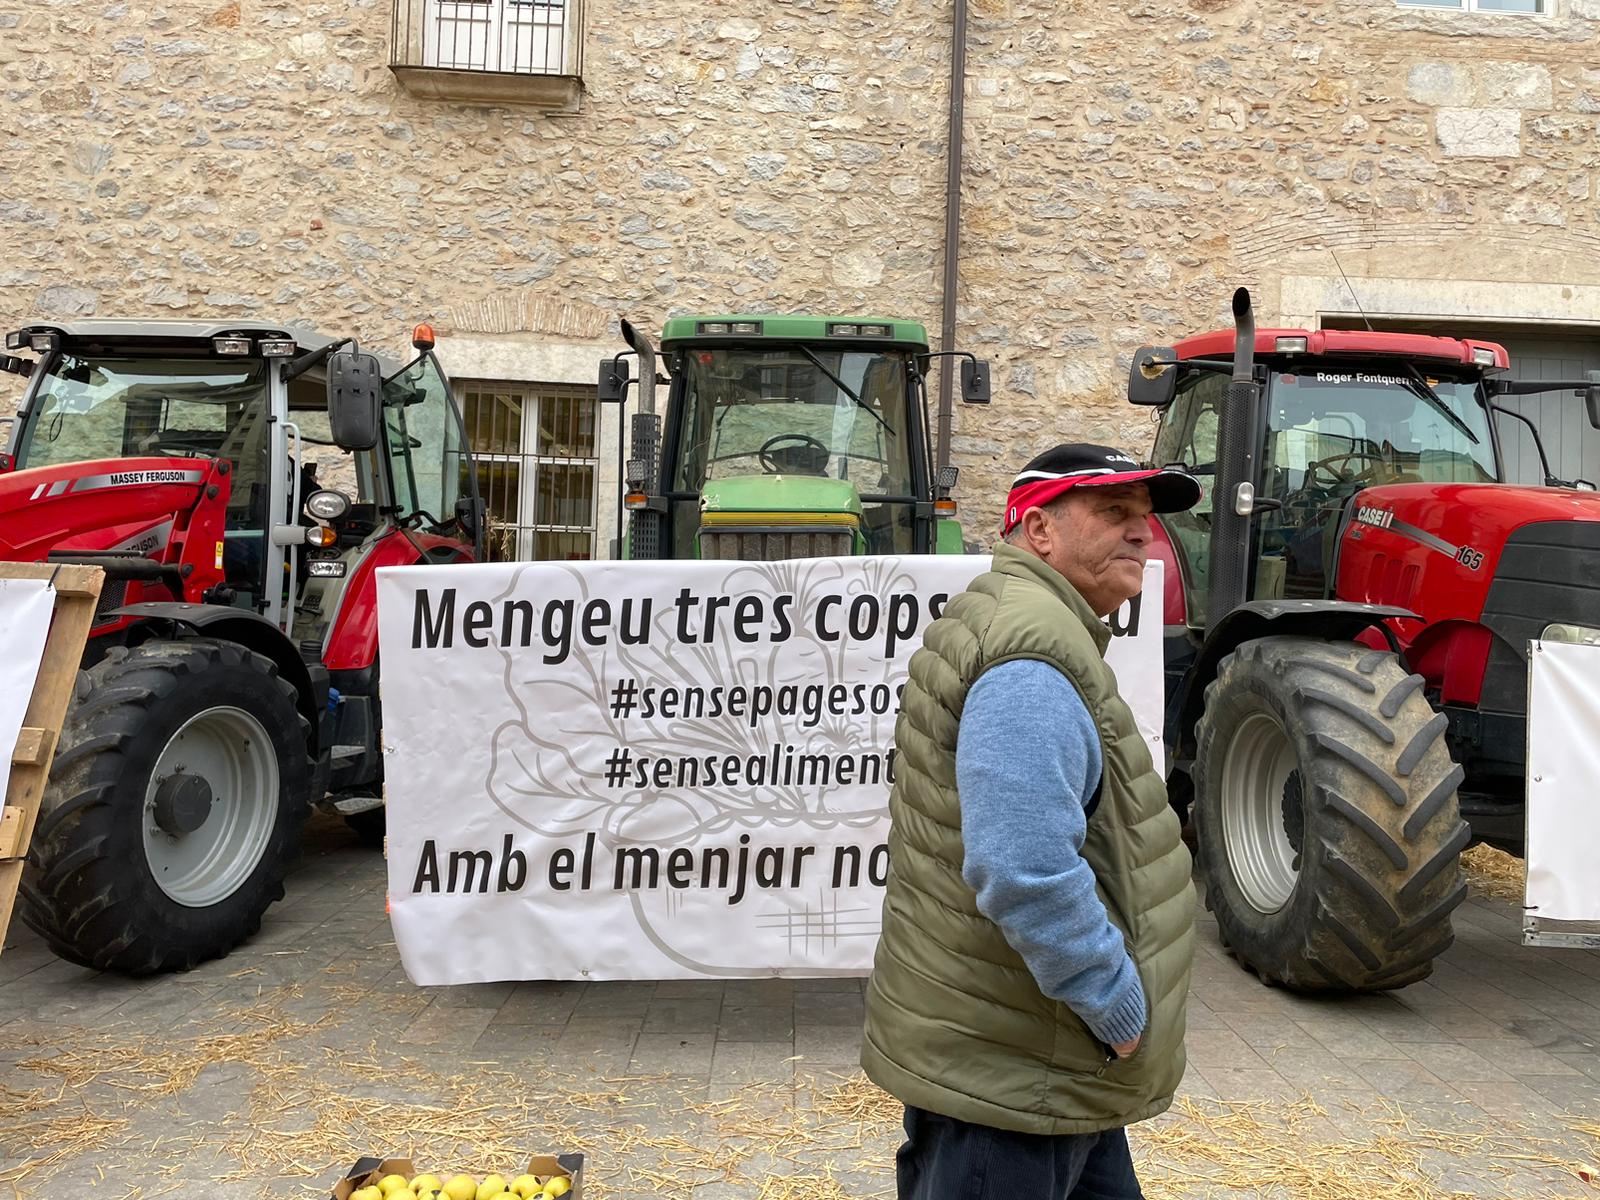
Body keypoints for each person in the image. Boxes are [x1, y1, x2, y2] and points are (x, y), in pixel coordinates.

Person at [862, 442, 1203, 1199]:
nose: (1142, 533)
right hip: (1018, 1076)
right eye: (1113, 512)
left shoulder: (1034, 627)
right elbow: (1022, 864)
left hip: (1040, 1063)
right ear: (1040, 530)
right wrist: (1111, 1002)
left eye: (1145, 518)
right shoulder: (1031, 659)